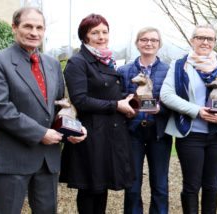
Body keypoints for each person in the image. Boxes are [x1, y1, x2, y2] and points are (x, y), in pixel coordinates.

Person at [0, 7, 87, 214]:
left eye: (39, 27)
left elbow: (59, 105)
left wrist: (72, 129)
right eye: (28, 26)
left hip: (47, 159)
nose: (34, 32)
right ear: (14, 27)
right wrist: (41, 133)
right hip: (13, 157)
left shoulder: (51, 64)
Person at [59, 13, 136, 214]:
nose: (101, 36)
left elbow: (109, 91)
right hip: (90, 135)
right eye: (95, 33)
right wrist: (116, 105)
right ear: (85, 36)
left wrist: (128, 101)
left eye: (104, 32)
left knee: (101, 188)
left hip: (109, 134)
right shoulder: (78, 62)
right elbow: (81, 100)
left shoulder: (106, 60)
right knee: (89, 189)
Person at [160, 24, 217, 214]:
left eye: (210, 39)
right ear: (192, 40)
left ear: (214, 42)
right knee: (191, 186)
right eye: (200, 37)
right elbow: (166, 94)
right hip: (190, 134)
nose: (205, 42)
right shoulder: (179, 65)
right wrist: (196, 111)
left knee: (212, 185)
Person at [117, 27, 172, 214]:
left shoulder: (169, 71)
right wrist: (127, 104)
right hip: (132, 133)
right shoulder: (124, 71)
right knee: (132, 186)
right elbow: (118, 97)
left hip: (159, 133)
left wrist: (160, 109)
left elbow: (174, 100)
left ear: (159, 44)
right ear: (137, 43)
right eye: (144, 39)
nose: (149, 43)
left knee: (160, 185)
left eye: (154, 40)